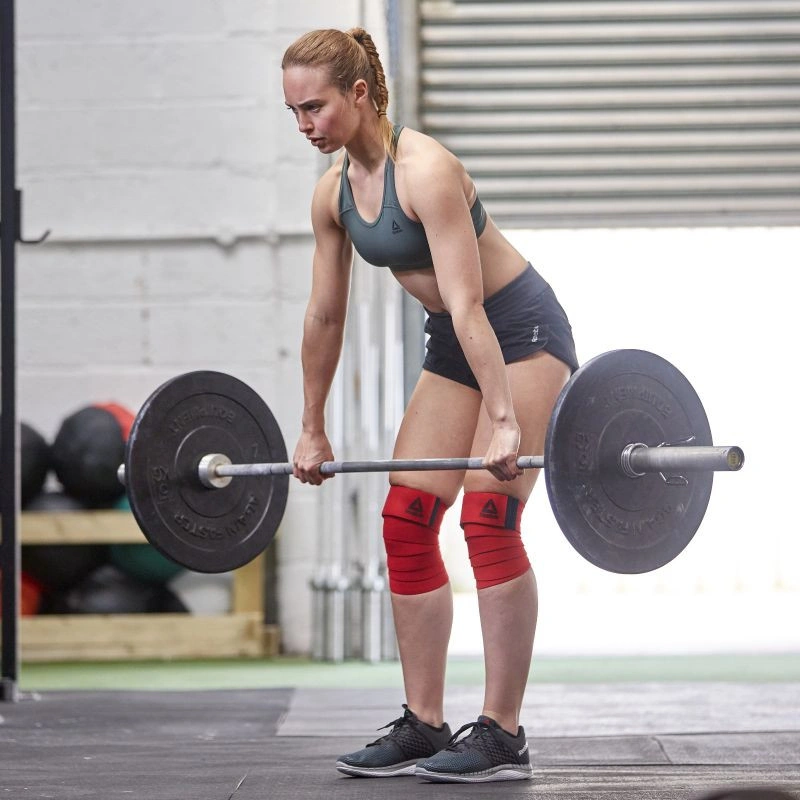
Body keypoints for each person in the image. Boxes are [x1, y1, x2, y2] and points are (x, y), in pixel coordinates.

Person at [282, 27, 579, 783]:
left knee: (489, 515)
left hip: (520, 332)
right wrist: (311, 427)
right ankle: (424, 721)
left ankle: (503, 733)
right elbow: (325, 316)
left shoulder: (428, 170)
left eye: (315, 107)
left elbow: (470, 303)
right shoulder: (332, 194)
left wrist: (504, 420)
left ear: (359, 94)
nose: (305, 125)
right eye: (294, 112)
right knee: (406, 516)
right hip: (455, 340)